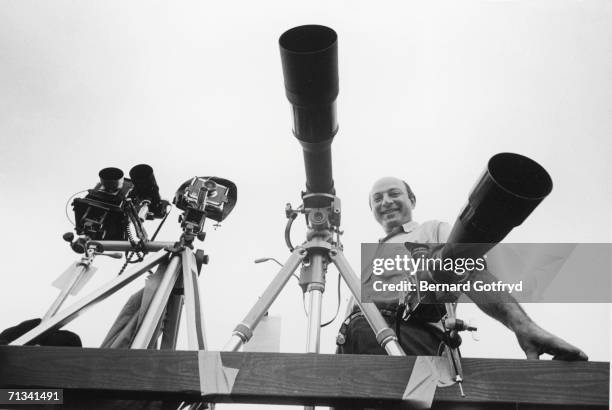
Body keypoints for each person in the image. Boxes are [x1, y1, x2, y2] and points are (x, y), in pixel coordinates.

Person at [336, 176, 588, 361]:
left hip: (408, 339)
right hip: (353, 345)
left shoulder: (431, 230)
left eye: (394, 194)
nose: (386, 202)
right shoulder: (369, 257)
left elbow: (469, 269)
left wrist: (521, 325)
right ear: (371, 210)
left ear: (411, 200)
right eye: (377, 199)